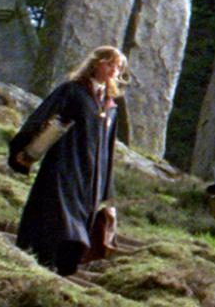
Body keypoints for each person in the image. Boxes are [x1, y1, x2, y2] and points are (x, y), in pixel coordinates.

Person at [8, 44, 129, 275]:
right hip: (65, 165)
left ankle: (63, 269)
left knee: (81, 223)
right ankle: (43, 261)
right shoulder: (72, 91)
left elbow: (108, 147)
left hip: (92, 176)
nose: (114, 69)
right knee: (58, 216)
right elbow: (43, 117)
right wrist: (23, 150)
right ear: (96, 63)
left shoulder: (110, 105)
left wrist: (106, 186)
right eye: (110, 63)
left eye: (118, 66)